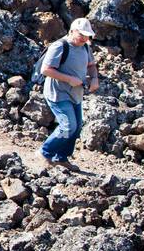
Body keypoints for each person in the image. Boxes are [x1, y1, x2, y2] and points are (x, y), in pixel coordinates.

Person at [39, 17, 100, 169]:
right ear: (72, 31)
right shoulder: (60, 46)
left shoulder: (85, 47)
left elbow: (91, 65)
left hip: (76, 94)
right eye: (81, 35)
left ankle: (61, 158)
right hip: (58, 93)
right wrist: (69, 79)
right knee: (67, 126)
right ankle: (45, 152)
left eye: (87, 35)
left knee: (77, 127)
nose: (84, 38)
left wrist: (94, 78)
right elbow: (46, 70)